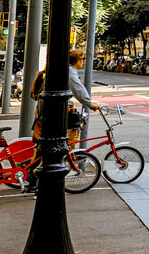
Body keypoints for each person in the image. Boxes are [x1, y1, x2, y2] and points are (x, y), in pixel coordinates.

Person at [25, 49, 101, 191]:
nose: (83, 62)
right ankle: (35, 181)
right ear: (77, 60)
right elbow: (78, 89)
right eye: (82, 59)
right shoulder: (68, 71)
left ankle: (32, 179)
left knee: (42, 148)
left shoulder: (57, 68)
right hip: (50, 115)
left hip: (43, 114)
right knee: (48, 148)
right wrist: (91, 104)